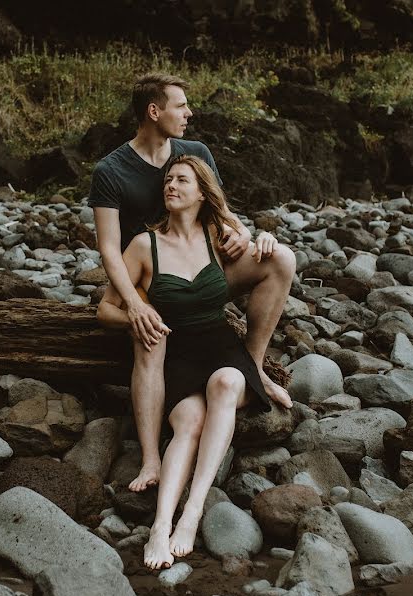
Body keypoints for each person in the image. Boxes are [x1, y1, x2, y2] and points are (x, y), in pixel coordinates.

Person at [89, 73, 295, 492]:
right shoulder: (111, 171)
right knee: (151, 338)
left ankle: (252, 364)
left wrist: (241, 233)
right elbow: (110, 250)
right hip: (146, 274)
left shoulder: (193, 153)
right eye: (181, 106)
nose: (189, 113)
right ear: (154, 111)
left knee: (282, 260)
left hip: (200, 263)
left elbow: (220, 208)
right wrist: (135, 304)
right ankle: (150, 460)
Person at [98, 156, 286, 569]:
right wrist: (137, 314)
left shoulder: (218, 236)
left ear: (202, 192)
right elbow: (105, 309)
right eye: (167, 180)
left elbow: (260, 255)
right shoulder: (144, 246)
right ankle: (159, 527)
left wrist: (266, 239)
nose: (170, 186)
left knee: (225, 385)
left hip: (221, 349)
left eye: (182, 180)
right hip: (176, 357)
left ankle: (192, 512)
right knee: (187, 424)